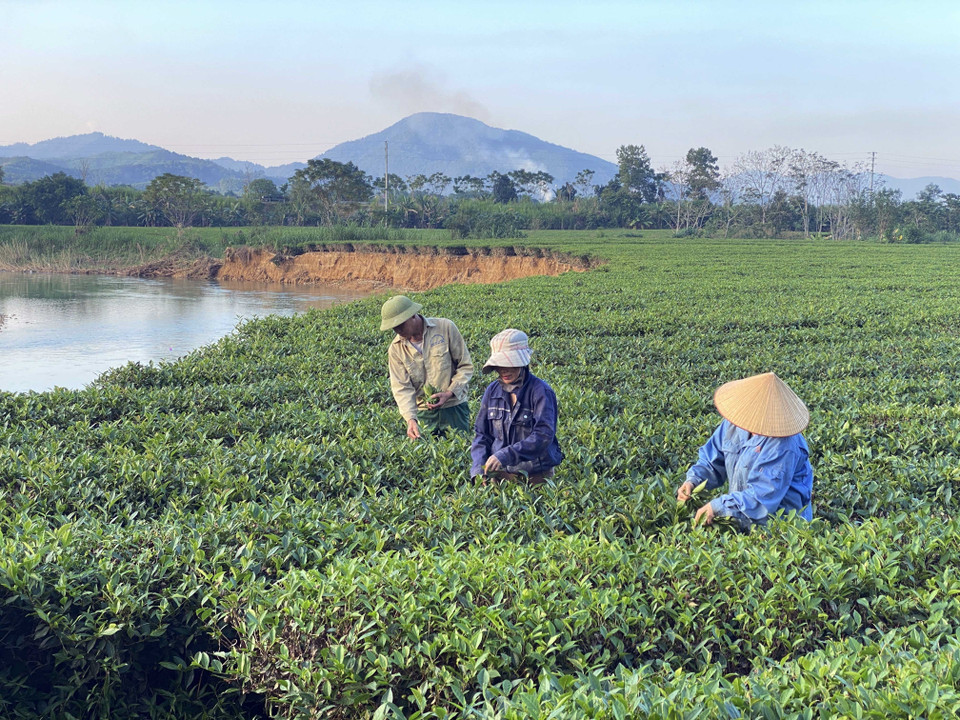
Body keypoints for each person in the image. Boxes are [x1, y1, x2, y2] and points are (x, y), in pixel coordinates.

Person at [677, 372, 814, 529]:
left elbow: (761, 499)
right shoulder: (733, 424)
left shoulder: (784, 444)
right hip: (742, 519)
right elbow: (712, 460)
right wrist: (693, 481)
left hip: (780, 528)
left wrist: (717, 507)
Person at [470, 329, 563, 484]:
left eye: (509, 363)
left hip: (535, 474)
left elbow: (543, 435)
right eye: (499, 364)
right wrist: (479, 469)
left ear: (522, 363)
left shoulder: (540, 392)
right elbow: (482, 434)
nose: (503, 369)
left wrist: (505, 455)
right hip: (498, 474)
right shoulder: (492, 391)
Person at [381, 295, 473, 440]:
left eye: (400, 325)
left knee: (460, 448)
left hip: (454, 408)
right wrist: (411, 419)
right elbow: (401, 388)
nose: (398, 330)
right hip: (423, 414)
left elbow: (465, 366)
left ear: (412, 315)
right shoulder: (395, 349)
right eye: (394, 328)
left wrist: (449, 393)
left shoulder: (445, 327)